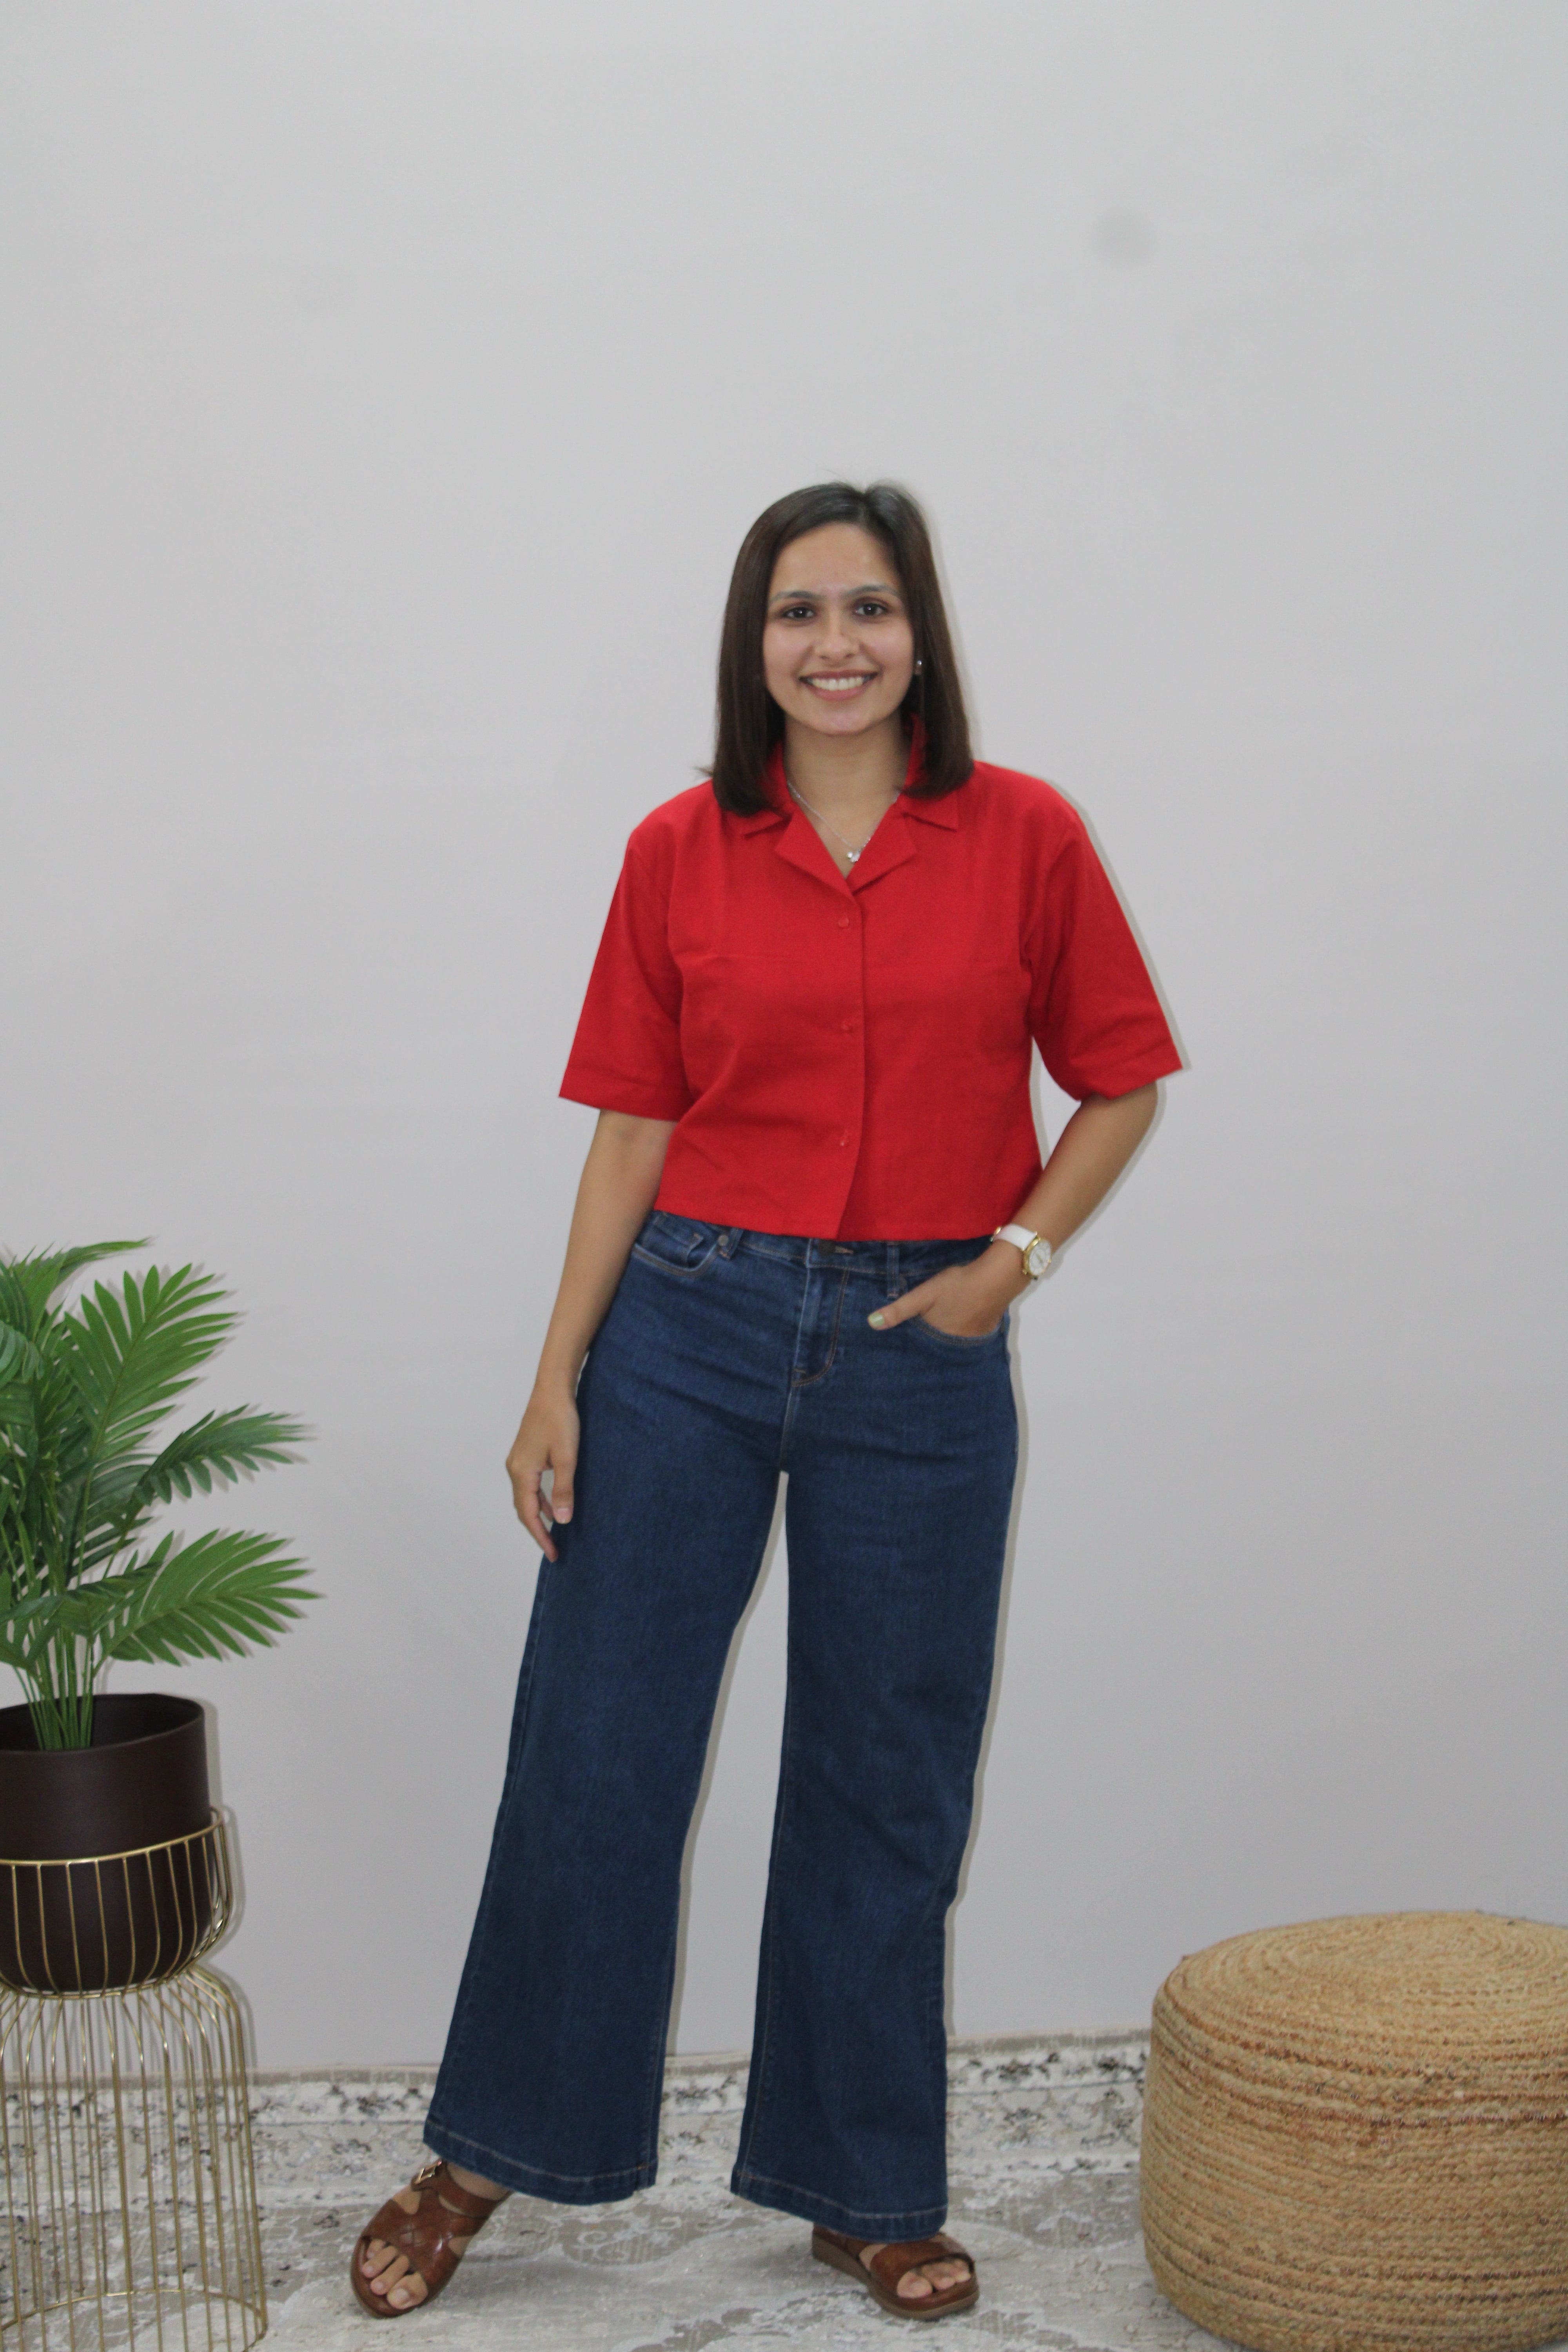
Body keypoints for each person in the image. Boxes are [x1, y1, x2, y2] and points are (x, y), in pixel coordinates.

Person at [351, 481, 1181, 2323]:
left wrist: (1008, 1266)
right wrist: (555, 1375)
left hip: (925, 1350)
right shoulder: (680, 848)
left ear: (918, 635)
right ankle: (486, 2149)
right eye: (797, 611)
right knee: (597, 1753)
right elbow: (631, 1125)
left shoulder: (1024, 836)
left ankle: (858, 2182)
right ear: (752, 643)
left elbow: (1115, 1084)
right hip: (688, 1331)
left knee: (885, 1777)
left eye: (868, 609)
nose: (833, 644)